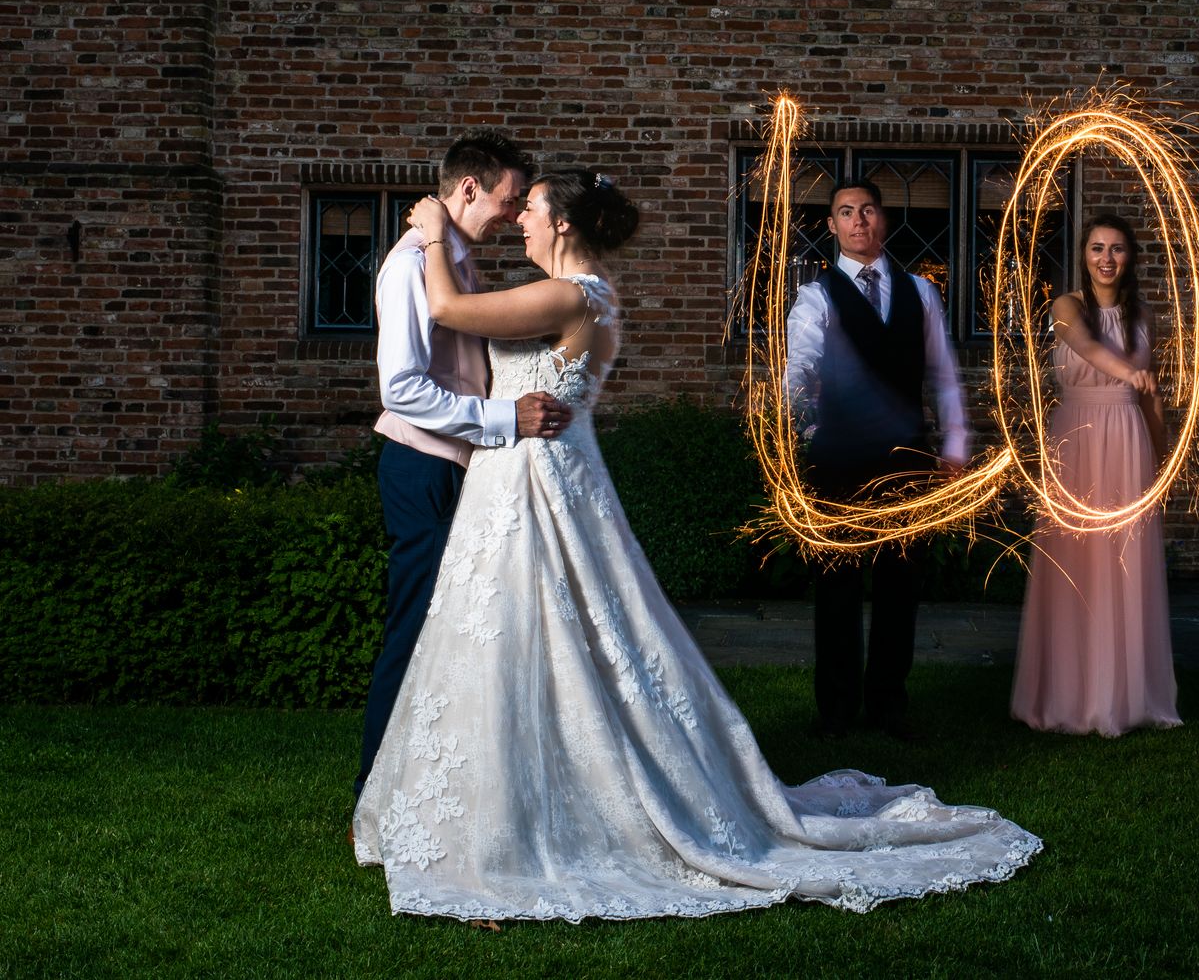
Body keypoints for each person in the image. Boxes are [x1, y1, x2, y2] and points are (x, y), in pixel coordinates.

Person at [353, 170, 1040, 921]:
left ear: (564, 224)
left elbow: (451, 307)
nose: (521, 219)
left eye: (534, 208)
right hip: (516, 479)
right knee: (515, 640)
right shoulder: (577, 291)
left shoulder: (573, 293)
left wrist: (428, 229)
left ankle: (530, 821)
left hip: (535, 482)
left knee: (544, 637)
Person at [355, 130, 573, 806]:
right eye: (508, 199)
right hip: (421, 470)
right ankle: (375, 794)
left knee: (450, 630)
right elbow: (404, 389)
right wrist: (506, 421)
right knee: (415, 627)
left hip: (451, 466)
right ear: (469, 187)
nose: (512, 214)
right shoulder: (411, 264)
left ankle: (428, 783)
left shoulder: (452, 259)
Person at [782, 178, 970, 742]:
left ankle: (889, 702)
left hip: (909, 455)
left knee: (899, 586)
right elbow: (799, 370)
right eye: (846, 212)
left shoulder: (921, 292)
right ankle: (836, 711)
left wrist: (955, 445)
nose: (858, 220)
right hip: (838, 459)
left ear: (882, 219)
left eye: (867, 210)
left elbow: (943, 375)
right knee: (836, 588)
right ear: (833, 226)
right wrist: (804, 428)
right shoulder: (816, 296)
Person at [1011, 214, 1181, 737]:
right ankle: (1068, 694)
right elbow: (1086, 347)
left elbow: (1152, 396)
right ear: (1083, 256)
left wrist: (1162, 456)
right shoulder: (1068, 307)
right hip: (1078, 439)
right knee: (1074, 561)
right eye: (1096, 248)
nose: (1106, 258)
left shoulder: (1144, 316)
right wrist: (1129, 371)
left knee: (1124, 563)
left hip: (1127, 440)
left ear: (1130, 258)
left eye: (1117, 249)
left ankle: (1125, 697)